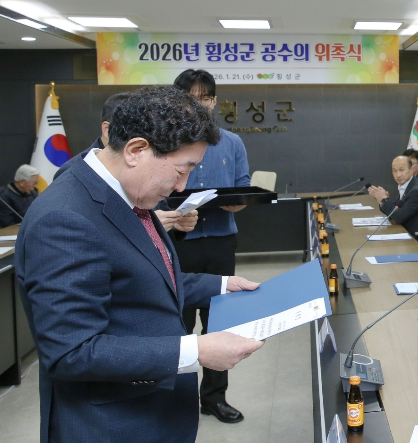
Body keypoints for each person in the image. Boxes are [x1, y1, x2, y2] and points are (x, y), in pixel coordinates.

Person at [15, 85, 264, 443]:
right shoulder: (66, 218)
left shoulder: (124, 193)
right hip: (112, 425)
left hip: (153, 413)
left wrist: (223, 285)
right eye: (181, 170)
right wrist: (196, 350)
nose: (182, 187)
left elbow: (143, 277)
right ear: (135, 150)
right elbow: (71, 351)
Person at [172, 69, 251, 424]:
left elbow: (243, 189)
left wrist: (236, 203)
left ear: (215, 101)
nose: (199, 104)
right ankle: (178, 397)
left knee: (219, 321)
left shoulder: (232, 143)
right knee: (179, 322)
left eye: (205, 98)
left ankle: (215, 398)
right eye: (191, 98)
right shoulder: (165, 141)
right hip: (178, 243)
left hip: (220, 241)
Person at [54, 92, 197, 234]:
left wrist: (173, 222)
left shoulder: (150, 164)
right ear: (107, 130)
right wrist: (143, 226)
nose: (147, 140)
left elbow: (160, 209)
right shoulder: (75, 172)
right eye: (133, 130)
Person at [368, 155, 418, 244]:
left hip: (417, 239)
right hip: (405, 233)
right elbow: (395, 211)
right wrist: (381, 201)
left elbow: (399, 217)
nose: (398, 175)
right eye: (394, 171)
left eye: (401, 170)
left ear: (411, 170)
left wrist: (385, 200)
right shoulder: (406, 186)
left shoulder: (417, 191)